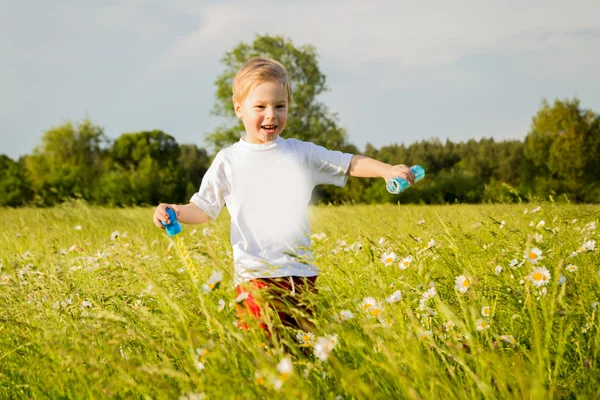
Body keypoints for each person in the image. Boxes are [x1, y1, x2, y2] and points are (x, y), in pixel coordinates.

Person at [153, 57, 415, 334]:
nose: (271, 115)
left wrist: (386, 170)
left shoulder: (301, 153)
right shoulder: (228, 161)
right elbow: (203, 210)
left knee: (305, 349)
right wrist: (176, 211)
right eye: (260, 107)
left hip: (300, 274)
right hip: (253, 277)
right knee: (264, 351)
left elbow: (348, 162)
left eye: (280, 106)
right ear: (238, 108)